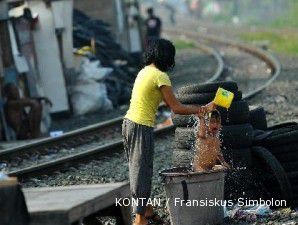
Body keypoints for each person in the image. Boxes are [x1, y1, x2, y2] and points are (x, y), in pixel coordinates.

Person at [122, 38, 216, 225]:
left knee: (136, 168)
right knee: (142, 171)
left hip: (128, 123)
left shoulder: (144, 71)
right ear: (167, 57)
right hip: (141, 126)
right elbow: (176, 107)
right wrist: (202, 109)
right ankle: (140, 218)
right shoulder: (160, 76)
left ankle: (146, 209)